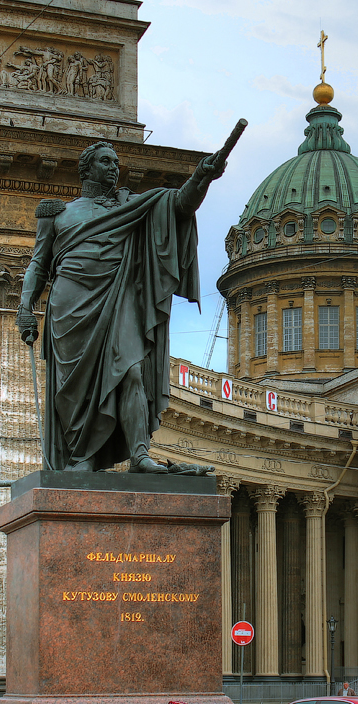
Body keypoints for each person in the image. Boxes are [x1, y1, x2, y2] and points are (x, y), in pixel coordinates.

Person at [17, 139, 227, 473]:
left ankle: (140, 454)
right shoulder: (58, 213)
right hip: (70, 305)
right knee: (75, 387)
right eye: (106, 162)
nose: (114, 168)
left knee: (131, 372)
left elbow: (180, 206)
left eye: (116, 163)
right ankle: (80, 457)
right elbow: (38, 265)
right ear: (87, 168)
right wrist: (25, 307)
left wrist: (202, 178)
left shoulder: (131, 205)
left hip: (119, 296)